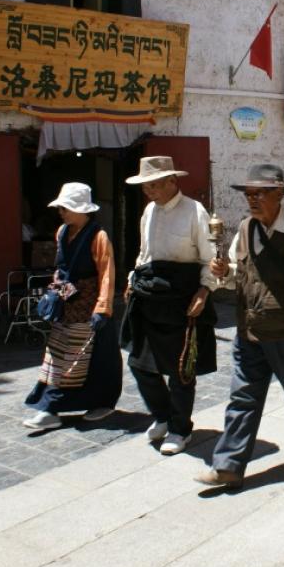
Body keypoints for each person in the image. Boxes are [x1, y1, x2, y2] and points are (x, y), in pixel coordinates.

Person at [196, 164, 284, 489]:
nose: (252, 200)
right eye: (249, 195)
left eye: (259, 194)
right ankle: (228, 465)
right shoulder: (245, 229)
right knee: (242, 397)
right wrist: (223, 271)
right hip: (250, 332)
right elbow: (234, 274)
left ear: (278, 195)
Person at [120, 156, 219, 456]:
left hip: (182, 298)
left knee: (180, 370)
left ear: (172, 182)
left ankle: (180, 428)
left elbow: (209, 256)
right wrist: (131, 278)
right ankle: (163, 415)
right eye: (146, 186)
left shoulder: (194, 211)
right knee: (139, 363)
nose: (148, 191)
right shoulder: (149, 211)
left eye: (153, 185)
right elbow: (144, 253)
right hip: (149, 296)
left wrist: (204, 290)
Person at [23, 183, 122, 429]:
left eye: (66, 208)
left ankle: (97, 402)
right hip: (67, 305)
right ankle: (50, 407)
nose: (62, 212)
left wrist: (103, 308)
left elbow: (106, 274)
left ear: (82, 210)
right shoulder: (61, 233)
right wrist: (54, 294)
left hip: (90, 309)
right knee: (59, 356)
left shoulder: (98, 237)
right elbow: (61, 268)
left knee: (89, 358)